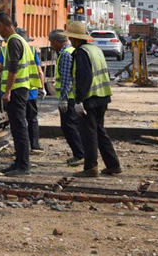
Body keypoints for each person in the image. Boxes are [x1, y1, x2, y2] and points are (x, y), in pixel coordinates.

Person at [66, 21, 122, 178]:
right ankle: (113, 164)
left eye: (71, 37)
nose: (70, 40)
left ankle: (90, 167)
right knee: (99, 132)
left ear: (75, 38)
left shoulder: (81, 53)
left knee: (88, 134)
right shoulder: (95, 50)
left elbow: (85, 78)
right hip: (103, 96)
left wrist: (79, 100)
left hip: (90, 98)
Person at [0, 12, 42, 176]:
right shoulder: (19, 41)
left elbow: (13, 68)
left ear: (1, 25)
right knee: (17, 126)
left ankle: (23, 165)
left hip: (16, 90)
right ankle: (19, 162)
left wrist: (7, 92)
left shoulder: (14, 41)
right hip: (21, 89)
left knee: (19, 127)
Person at [49, 29, 84, 166]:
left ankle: (79, 154)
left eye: (52, 42)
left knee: (68, 127)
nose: (51, 45)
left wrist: (63, 98)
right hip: (72, 97)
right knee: (73, 126)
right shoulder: (71, 51)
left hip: (69, 98)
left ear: (58, 41)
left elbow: (65, 79)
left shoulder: (65, 54)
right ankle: (80, 153)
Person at [17, 28, 46, 156]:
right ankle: (35, 145)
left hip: (16, 91)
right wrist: (42, 88)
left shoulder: (6, 50)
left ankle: (21, 149)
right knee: (32, 119)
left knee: (19, 120)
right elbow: (40, 71)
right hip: (31, 92)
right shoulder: (32, 50)